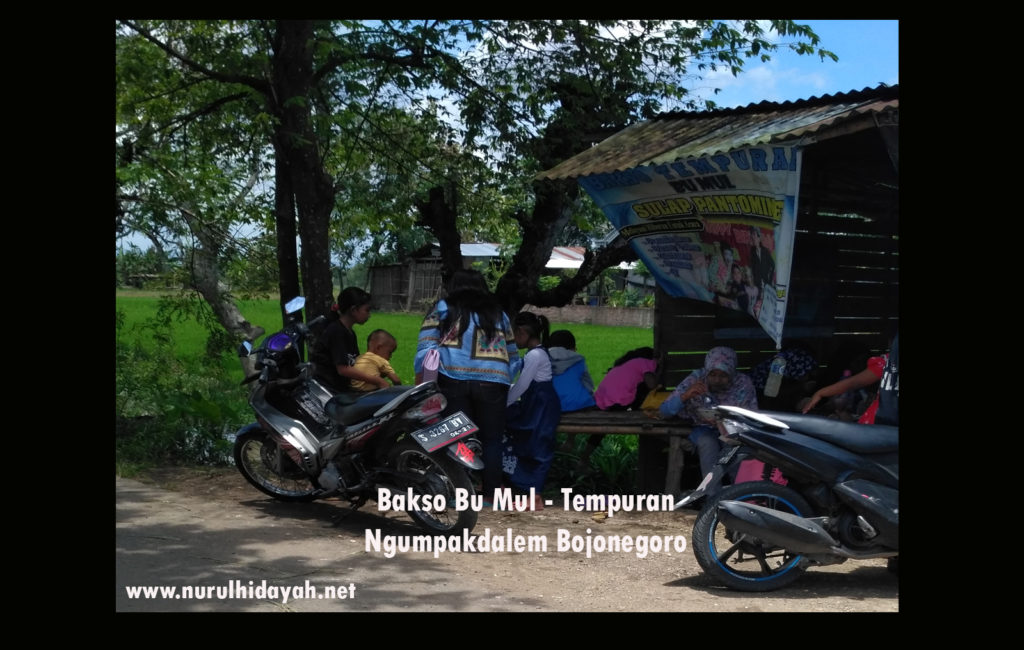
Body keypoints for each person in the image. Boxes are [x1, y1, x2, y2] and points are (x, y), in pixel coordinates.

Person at [413, 269, 518, 504]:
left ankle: (461, 492)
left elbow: (425, 347)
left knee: (457, 436)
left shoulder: (442, 309)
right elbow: (513, 355)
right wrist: (502, 378)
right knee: (492, 440)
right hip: (493, 383)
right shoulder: (497, 314)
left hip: (453, 379)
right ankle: (491, 494)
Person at [658, 346, 758, 488]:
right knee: (707, 444)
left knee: (733, 447)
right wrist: (685, 395)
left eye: (723, 376)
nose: (717, 380)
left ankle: (741, 497)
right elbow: (664, 411)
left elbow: (751, 418)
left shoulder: (743, 384)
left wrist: (724, 422)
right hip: (702, 429)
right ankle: (712, 499)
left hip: (734, 431)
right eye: (713, 374)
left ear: (732, 373)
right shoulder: (697, 379)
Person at [503, 312, 562, 510]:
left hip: (541, 407)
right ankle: (531, 493)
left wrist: (504, 403)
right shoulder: (535, 353)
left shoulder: (535, 355)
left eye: (514, 334)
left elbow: (521, 386)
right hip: (537, 404)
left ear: (522, 332)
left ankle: (535, 496)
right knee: (533, 445)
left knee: (539, 448)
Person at [803, 333, 898, 426]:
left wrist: (821, 393)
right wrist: (821, 393)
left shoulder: (887, 363)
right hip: (879, 427)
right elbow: (855, 382)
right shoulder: (887, 363)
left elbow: (854, 382)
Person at [310, 287, 390, 393]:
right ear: (353, 310)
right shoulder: (336, 331)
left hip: (340, 388)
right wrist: (377, 380)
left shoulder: (350, 333)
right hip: (327, 390)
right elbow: (343, 369)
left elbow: (353, 364)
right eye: (367, 310)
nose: (369, 315)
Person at [548, 329, 602, 469]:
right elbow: (588, 386)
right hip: (576, 407)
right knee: (579, 400)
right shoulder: (578, 359)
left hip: (549, 405)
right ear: (572, 347)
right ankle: (570, 439)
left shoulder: (541, 358)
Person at [594, 347, 659, 411]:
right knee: (643, 385)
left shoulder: (620, 366)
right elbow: (652, 385)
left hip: (603, 402)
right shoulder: (643, 362)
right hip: (619, 401)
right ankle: (638, 408)